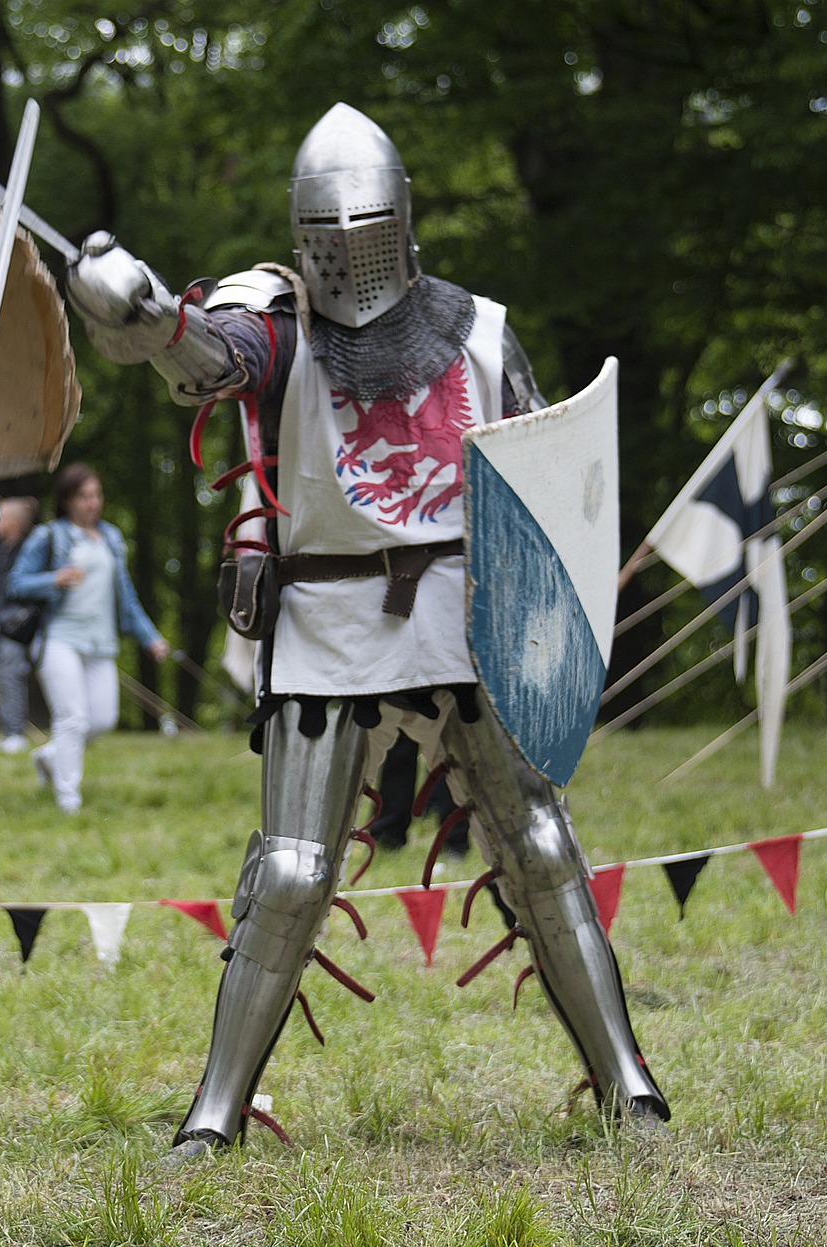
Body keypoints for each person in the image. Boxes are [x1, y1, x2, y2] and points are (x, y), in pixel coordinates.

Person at [66, 102, 667, 1155]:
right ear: (301, 233)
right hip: (327, 618)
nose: (349, 253)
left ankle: (628, 1083)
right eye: (328, 235)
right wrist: (148, 314)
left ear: (402, 218)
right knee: (292, 873)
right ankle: (215, 1113)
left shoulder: (479, 329)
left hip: (465, 613)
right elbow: (204, 359)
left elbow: (539, 479)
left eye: (367, 229)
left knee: (539, 843)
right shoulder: (275, 325)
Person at [5, 464, 167, 814]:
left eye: (96, 495)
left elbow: (126, 598)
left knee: (103, 719)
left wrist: (151, 638)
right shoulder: (50, 535)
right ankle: (69, 800)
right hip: (60, 638)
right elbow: (15, 583)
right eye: (83, 496)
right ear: (67, 500)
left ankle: (50, 757)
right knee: (72, 718)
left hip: (101, 642)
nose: (92, 503)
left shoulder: (111, 538)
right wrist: (54, 579)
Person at [0, 496, 38, 753]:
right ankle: (7, 730)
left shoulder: (27, 551)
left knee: (13, 676)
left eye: (0, 518)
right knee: (1, 677)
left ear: (14, 523)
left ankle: (16, 732)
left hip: (15, 626)